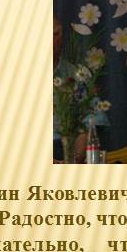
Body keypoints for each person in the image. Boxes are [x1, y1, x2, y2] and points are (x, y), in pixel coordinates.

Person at [53, 15, 86, 163]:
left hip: (65, 146)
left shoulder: (77, 75)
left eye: (55, 34)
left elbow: (88, 121)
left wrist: (74, 160)